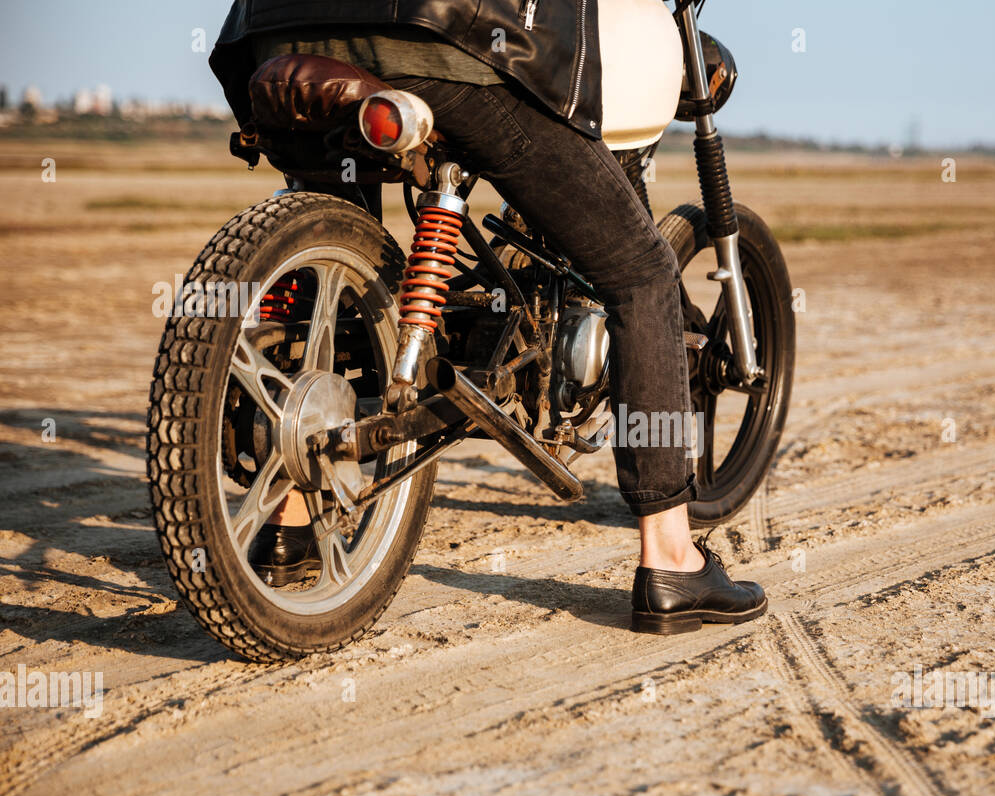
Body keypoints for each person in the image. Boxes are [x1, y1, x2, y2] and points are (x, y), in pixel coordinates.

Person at [209, 0, 766, 633]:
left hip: (275, 42)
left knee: (328, 273)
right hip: (439, 39)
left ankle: (288, 521)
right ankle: (672, 559)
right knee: (641, 272)